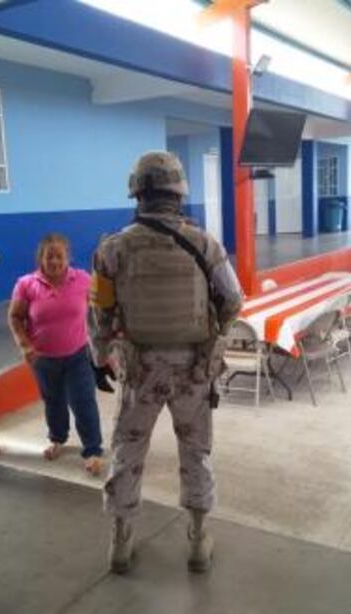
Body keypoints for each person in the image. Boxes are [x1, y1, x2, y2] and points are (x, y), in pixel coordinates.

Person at [89, 151, 243, 575]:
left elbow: (100, 314)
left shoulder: (113, 248)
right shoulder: (205, 243)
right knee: (195, 450)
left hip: (140, 369)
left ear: (137, 193)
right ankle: (196, 540)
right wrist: (214, 331)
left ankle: (121, 542)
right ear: (178, 193)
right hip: (193, 367)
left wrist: (100, 353)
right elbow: (233, 299)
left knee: (128, 449)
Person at [7, 233, 107, 476]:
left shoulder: (83, 279)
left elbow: (104, 304)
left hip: (78, 355)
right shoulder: (25, 284)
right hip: (43, 359)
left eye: (59, 256)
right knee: (53, 402)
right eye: (48, 256)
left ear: (68, 257)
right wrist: (25, 345)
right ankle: (58, 438)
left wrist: (107, 344)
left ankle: (92, 450)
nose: (54, 261)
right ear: (40, 258)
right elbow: (15, 317)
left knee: (83, 401)